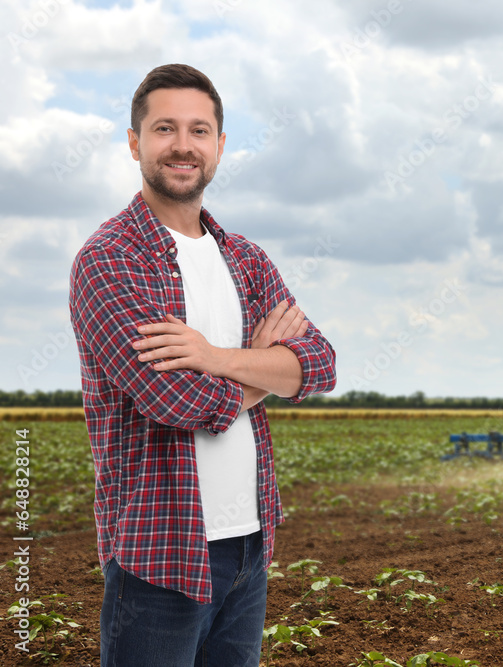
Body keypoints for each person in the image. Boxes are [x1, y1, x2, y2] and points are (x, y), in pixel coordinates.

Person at [68, 63, 336, 666]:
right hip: (158, 557)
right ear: (136, 142)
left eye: (199, 130)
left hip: (248, 547)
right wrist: (266, 367)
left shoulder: (246, 259)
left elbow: (319, 365)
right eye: (165, 129)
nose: (183, 145)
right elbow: (174, 401)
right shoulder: (109, 261)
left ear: (219, 145)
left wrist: (213, 357)